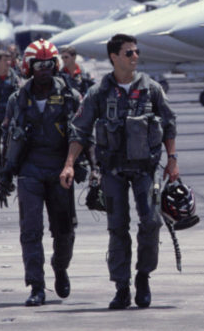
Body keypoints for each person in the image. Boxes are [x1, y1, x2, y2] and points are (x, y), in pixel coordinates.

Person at [62, 33, 179, 310]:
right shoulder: (99, 93)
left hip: (145, 170)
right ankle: (122, 286)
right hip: (112, 171)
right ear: (114, 57)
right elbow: (79, 130)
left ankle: (143, 277)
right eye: (129, 53)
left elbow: (170, 122)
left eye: (136, 51)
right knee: (117, 228)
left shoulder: (151, 88)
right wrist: (69, 164)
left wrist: (172, 159)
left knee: (151, 222)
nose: (135, 56)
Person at [0, 39, 83, 307]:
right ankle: (36, 286)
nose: (43, 69)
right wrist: (5, 175)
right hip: (30, 172)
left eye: (48, 64)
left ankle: (60, 267)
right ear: (28, 67)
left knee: (64, 232)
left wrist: (90, 170)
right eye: (38, 64)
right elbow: (9, 140)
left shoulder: (71, 97)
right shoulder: (17, 99)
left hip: (61, 171)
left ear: (55, 65)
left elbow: (82, 136)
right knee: (30, 231)